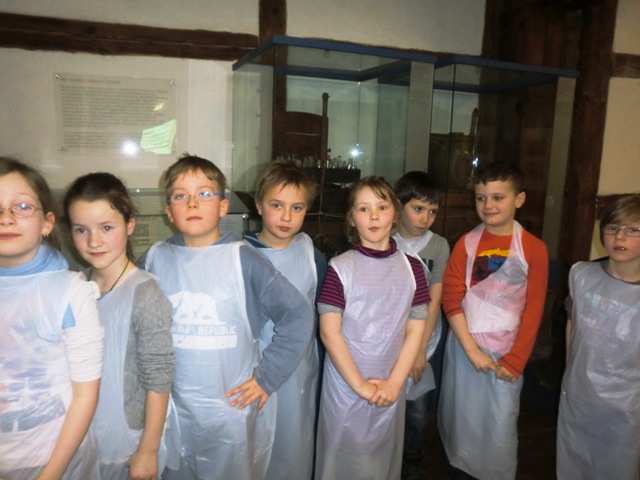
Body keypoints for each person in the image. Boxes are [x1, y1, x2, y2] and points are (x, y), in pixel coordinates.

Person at [141, 154, 314, 479]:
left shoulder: (244, 260)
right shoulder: (155, 259)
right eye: (180, 196)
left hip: (230, 410)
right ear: (169, 211)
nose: (193, 203)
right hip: (172, 408)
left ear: (223, 207)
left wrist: (267, 377)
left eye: (204, 193)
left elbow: (298, 315)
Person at [314, 175, 430, 480]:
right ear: (352, 219)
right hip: (345, 385)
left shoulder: (413, 269)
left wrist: (394, 383)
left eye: (382, 207)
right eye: (363, 209)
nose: (374, 216)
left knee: (380, 459)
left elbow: (416, 330)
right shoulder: (340, 268)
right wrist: (360, 386)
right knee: (342, 459)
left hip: (391, 381)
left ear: (395, 213)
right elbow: (330, 333)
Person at [438, 162, 549, 480]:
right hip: (465, 346)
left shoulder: (534, 248)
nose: (488, 205)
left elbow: (534, 308)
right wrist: (472, 350)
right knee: (462, 415)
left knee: (499, 420)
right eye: (481, 198)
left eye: (498, 197)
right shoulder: (465, 244)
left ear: (519, 199)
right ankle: (460, 468)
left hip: (507, 352)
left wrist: (516, 360)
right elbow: (451, 298)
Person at [63, 172, 175, 480]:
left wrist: (148, 449)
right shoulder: (75, 287)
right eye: (81, 230)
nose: (94, 241)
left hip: (127, 446)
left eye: (106, 228)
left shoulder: (144, 293)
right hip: (81, 440)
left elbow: (159, 377)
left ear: (130, 225)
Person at [0, 157, 103, 480]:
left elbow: (85, 395)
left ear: (47, 223)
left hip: (57, 461)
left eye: (22, 207)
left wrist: (50, 475)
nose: (6, 218)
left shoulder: (72, 293)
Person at [244, 161, 326, 480]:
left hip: (299, 372)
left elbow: (321, 315)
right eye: (276, 205)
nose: (286, 217)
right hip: (252, 368)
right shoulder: (240, 254)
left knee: (293, 446)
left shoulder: (312, 255)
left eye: (297, 207)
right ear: (258, 204)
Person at [556, 194, 640, 480]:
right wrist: (571, 371)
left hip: (626, 407)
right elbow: (573, 324)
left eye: (633, 229)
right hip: (579, 394)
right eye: (613, 228)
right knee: (573, 461)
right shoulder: (582, 275)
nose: (620, 237)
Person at [391, 171, 450, 480]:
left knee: (416, 404)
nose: (426, 218)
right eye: (418, 208)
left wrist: (419, 352)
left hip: (424, 336)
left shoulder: (438, 246)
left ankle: (412, 454)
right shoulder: (385, 239)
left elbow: (434, 301)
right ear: (399, 205)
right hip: (388, 335)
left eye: (433, 211)